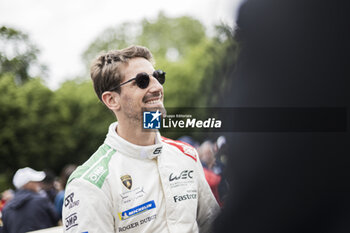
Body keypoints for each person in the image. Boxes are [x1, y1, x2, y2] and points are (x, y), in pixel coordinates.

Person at [62, 45, 219, 233]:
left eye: (158, 77)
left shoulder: (186, 155)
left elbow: (214, 224)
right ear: (111, 99)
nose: (157, 87)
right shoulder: (88, 184)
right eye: (142, 81)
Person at [1, 167, 59, 233]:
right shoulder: (41, 201)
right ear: (28, 184)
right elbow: (56, 219)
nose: (39, 183)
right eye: (36, 181)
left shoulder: (6, 208)